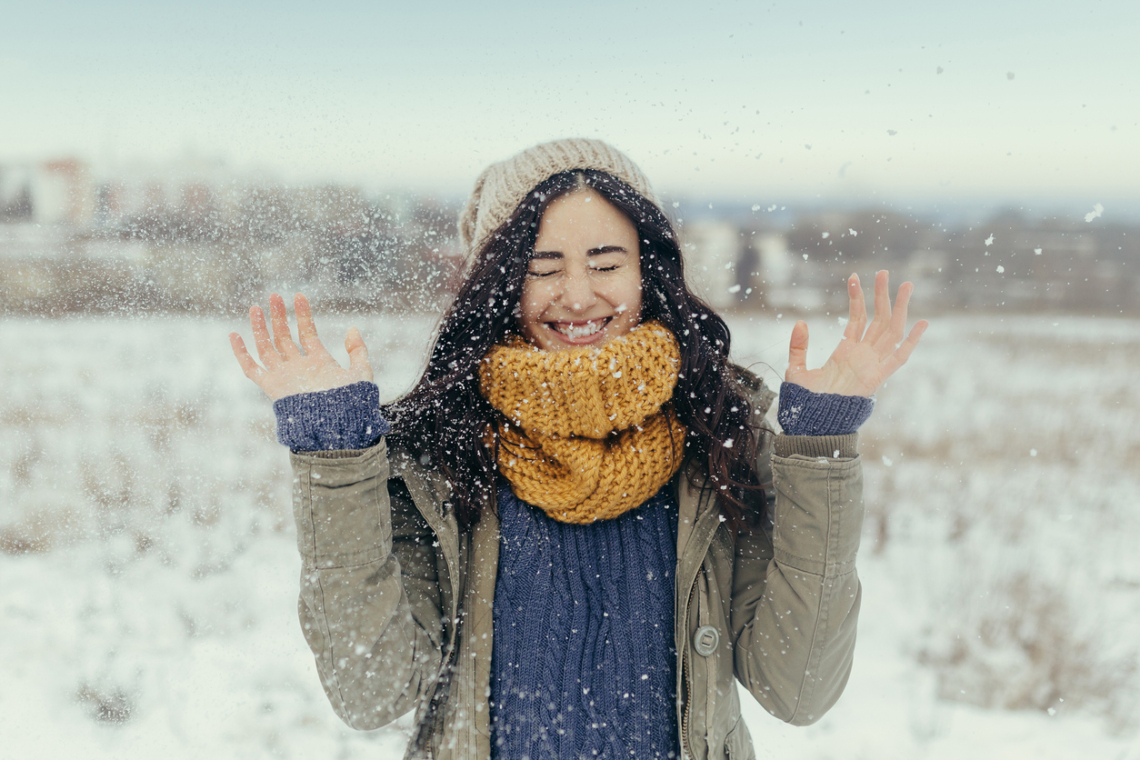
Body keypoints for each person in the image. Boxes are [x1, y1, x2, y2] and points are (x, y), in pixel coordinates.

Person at [229, 138, 927, 760]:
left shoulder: (721, 439)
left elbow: (798, 688)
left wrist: (821, 448)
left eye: (605, 262)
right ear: (501, 283)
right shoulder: (440, 454)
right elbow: (369, 691)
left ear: (648, 271)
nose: (578, 295)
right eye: (543, 266)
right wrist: (334, 458)